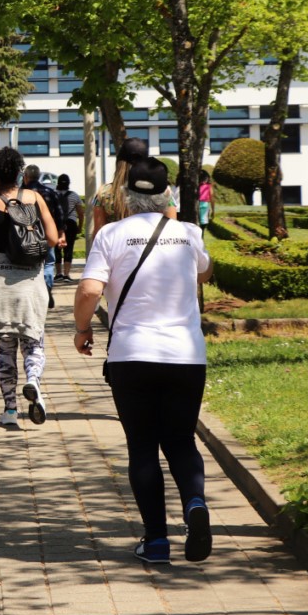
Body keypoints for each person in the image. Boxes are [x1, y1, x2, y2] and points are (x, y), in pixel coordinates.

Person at [72, 157, 215, 564]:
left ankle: (155, 541)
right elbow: (205, 272)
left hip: (132, 356)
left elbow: (88, 291)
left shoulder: (111, 235)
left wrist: (83, 330)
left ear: (125, 196)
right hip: (186, 355)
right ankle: (195, 505)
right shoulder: (189, 233)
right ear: (168, 194)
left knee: (143, 447)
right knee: (182, 440)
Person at [0, 148, 60, 428]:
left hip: (1, 282)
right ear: (20, 174)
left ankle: (10, 410)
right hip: (32, 280)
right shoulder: (35, 198)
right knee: (34, 342)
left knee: (5, 349)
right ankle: (33, 380)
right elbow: (53, 237)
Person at [90, 137, 177, 235]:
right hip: (152, 246)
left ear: (118, 162)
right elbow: (172, 228)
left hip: (117, 248)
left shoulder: (103, 193)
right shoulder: (162, 192)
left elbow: (99, 234)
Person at [21, 164, 65, 308]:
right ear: (38, 176)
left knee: (27, 264)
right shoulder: (49, 192)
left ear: (26, 177)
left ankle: (31, 294)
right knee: (49, 263)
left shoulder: (21, 193)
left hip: (25, 234)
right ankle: (46, 289)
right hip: (47, 233)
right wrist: (61, 232)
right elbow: (59, 213)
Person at [54, 173, 85, 283]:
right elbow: (81, 213)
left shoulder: (53, 194)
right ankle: (66, 275)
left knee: (56, 248)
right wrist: (80, 226)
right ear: (68, 184)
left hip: (56, 223)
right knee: (69, 248)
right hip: (71, 223)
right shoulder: (75, 196)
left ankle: (58, 274)